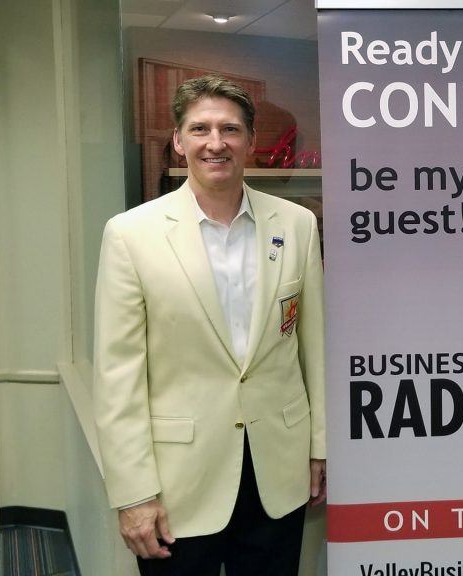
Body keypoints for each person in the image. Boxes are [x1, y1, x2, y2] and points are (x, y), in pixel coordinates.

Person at [93, 75, 326, 576]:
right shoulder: (131, 235)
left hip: (276, 478)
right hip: (178, 490)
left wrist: (318, 449)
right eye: (200, 129)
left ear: (250, 140)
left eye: (230, 129)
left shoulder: (297, 225)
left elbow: (313, 349)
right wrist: (134, 493)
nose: (215, 143)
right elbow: (118, 378)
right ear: (178, 140)